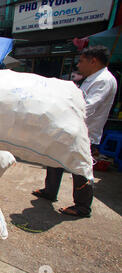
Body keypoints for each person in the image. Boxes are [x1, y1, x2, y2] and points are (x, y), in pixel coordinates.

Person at [32, 46, 117, 218]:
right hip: (72, 128)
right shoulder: (91, 78)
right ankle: (50, 191)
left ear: (93, 61)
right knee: (54, 158)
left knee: (81, 169)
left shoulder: (104, 80)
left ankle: (82, 206)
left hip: (86, 132)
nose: (78, 65)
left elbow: (89, 106)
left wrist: (60, 109)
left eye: (81, 61)